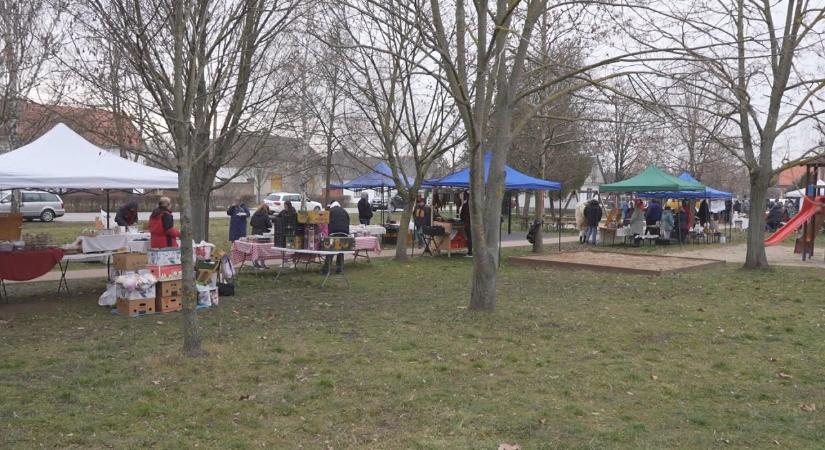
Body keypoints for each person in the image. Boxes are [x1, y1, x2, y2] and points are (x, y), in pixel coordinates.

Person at [322, 201, 350, 274]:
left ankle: (327, 269)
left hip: (333, 233)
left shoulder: (330, 211)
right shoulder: (344, 211)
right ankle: (340, 269)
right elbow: (348, 222)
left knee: (330, 250)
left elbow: (326, 223)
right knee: (341, 251)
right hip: (344, 233)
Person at [459, 191, 472, 257]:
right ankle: (471, 251)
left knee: (469, 238)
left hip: (468, 224)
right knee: (471, 238)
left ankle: (470, 252)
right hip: (473, 224)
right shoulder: (475, 205)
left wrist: (464, 220)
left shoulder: (466, 205)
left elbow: (461, 215)